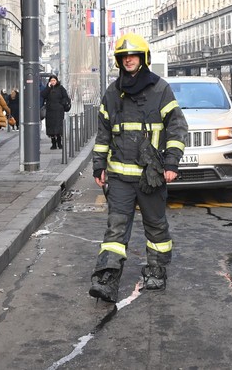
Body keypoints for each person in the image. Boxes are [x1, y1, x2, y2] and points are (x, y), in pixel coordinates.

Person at [89, 32, 188, 302]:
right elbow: (103, 133)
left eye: (133, 55)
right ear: (119, 61)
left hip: (151, 176)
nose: (128, 60)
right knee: (115, 229)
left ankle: (156, 271)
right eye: (123, 56)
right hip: (120, 176)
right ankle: (107, 279)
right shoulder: (112, 92)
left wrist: (171, 162)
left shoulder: (160, 88)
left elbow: (178, 126)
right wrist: (99, 166)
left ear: (143, 58)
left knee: (156, 227)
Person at [41, 75, 72, 150]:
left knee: (58, 127)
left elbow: (66, 97)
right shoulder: (47, 88)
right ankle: (53, 143)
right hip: (50, 111)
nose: (53, 82)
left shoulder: (61, 88)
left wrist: (61, 104)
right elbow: (43, 95)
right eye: (51, 80)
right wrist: (48, 87)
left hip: (58, 111)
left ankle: (59, 142)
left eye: (54, 80)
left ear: (57, 81)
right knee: (51, 127)